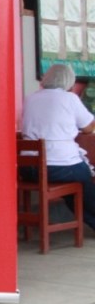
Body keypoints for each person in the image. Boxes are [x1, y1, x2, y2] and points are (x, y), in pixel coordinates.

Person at [20, 63, 95, 231]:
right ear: (69, 81)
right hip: (57, 166)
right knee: (84, 177)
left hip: (28, 168)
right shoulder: (70, 98)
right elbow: (89, 127)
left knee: (75, 179)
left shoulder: (31, 98)